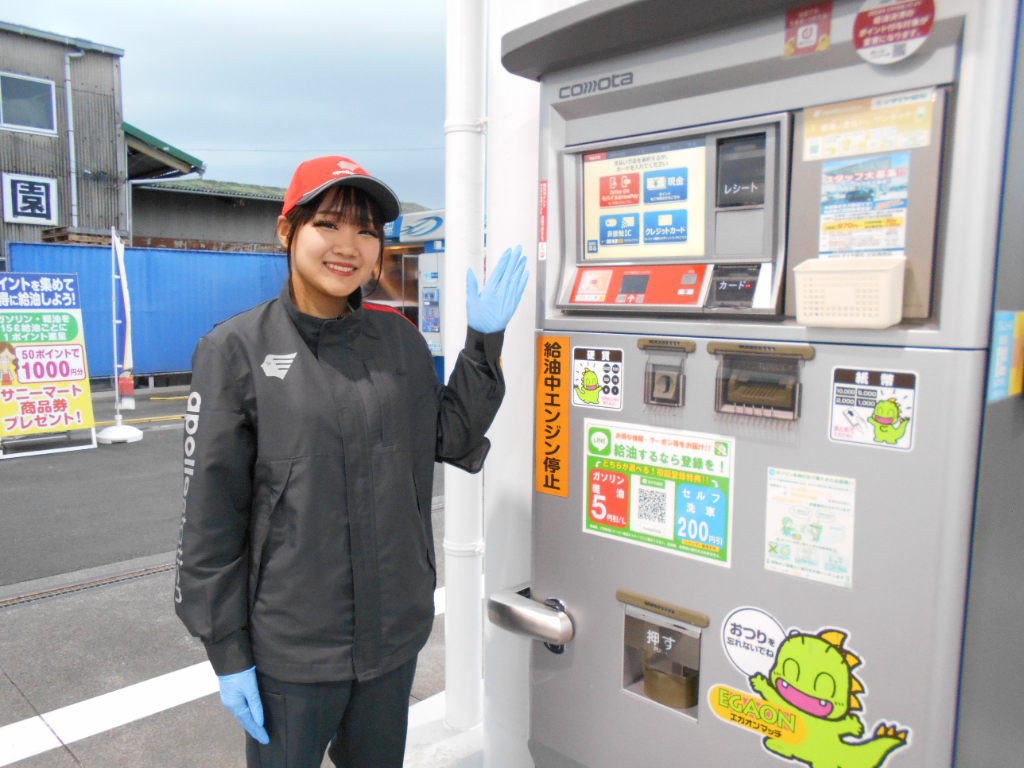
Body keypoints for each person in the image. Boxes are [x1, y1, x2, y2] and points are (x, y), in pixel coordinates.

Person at [174, 155, 528, 767]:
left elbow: (451, 436)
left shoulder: (399, 340)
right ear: (288, 232)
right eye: (328, 225)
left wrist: (483, 343)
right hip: (292, 651)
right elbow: (210, 517)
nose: (349, 246)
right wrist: (228, 652)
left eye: (366, 230)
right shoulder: (235, 350)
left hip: (392, 640)